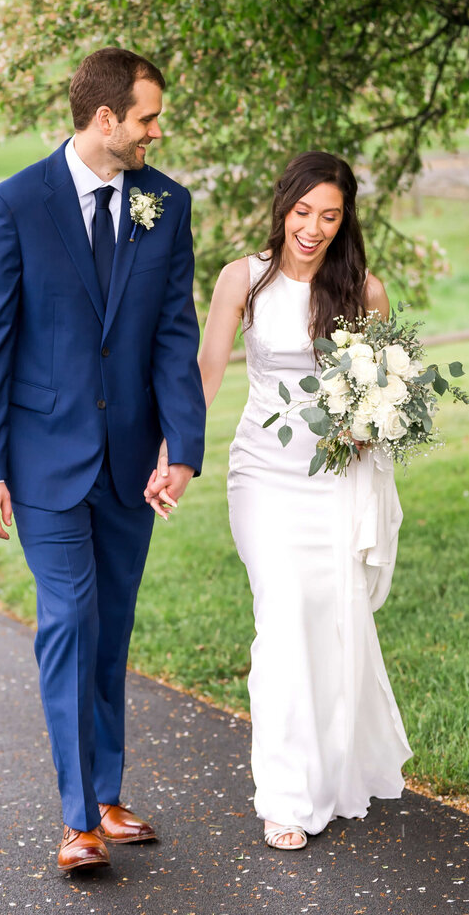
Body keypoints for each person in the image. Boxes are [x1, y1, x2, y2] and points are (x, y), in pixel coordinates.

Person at [0, 47, 206, 873]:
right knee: (70, 618)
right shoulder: (14, 206)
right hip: (44, 462)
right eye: (146, 118)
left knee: (112, 629)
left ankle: (106, 790)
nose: (155, 132)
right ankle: (77, 822)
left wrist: (183, 448)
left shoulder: (166, 205)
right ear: (106, 120)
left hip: (132, 463)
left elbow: (175, 333)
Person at [181, 151, 411, 850]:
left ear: (345, 222)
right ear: (283, 207)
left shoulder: (363, 292)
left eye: (330, 216)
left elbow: (381, 391)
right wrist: (175, 454)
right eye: (303, 211)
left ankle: (332, 772)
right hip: (263, 475)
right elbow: (209, 370)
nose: (313, 227)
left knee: (332, 619)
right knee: (282, 619)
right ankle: (283, 795)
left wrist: (370, 427)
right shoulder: (242, 279)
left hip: (334, 480)